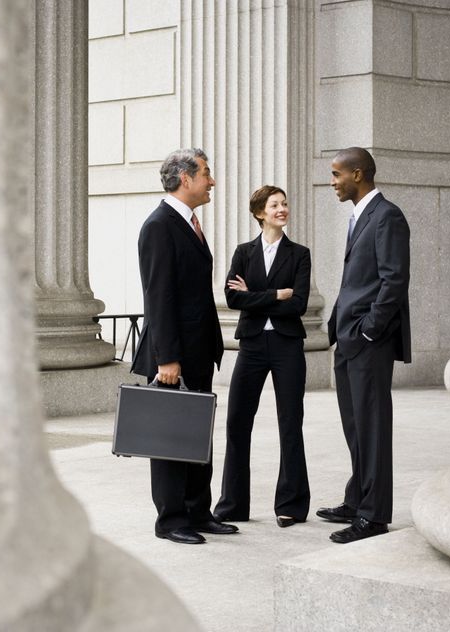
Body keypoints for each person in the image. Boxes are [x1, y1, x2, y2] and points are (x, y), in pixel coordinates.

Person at [131, 148, 237, 545]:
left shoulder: (189, 223)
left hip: (197, 350)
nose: (211, 181)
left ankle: (197, 511)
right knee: (171, 438)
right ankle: (171, 520)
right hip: (173, 356)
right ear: (184, 179)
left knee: (196, 435)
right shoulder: (159, 225)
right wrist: (167, 358)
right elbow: (158, 297)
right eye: (206, 173)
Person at [318, 147, 411, 543]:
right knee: (355, 426)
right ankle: (357, 498)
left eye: (337, 174)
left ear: (358, 174)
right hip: (350, 339)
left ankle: (373, 516)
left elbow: (394, 280)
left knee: (372, 428)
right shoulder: (360, 217)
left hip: (369, 341)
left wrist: (369, 330)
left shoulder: (387, 216)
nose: (333, 182)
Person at [213, 186, 311, 528]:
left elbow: (298, 304)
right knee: (237, 421)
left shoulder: (299, 254)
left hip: (287, 346)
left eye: (285, 203)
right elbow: (232, 299)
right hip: (252, 345)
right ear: (260, 213)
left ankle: (292, 505)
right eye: (275, 205)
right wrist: (275, 295)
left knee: (290, 423)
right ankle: (233, 505)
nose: (282, 209)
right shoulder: (244, 252)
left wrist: (255, 295)